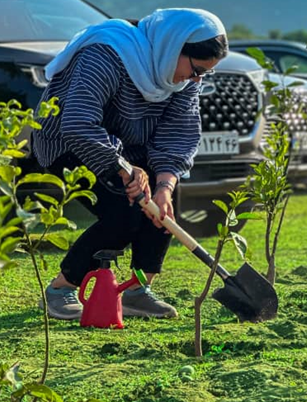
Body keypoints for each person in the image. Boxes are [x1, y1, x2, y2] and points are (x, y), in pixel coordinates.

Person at [32, 9, 228, 320]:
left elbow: (177, 135)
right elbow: (78, 123)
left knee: (162, 206)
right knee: (124, 211)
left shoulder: (184, 80)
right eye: (196, 70)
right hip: (69, 143)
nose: (196, 80)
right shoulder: (107, 54)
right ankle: (62, 287)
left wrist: (164, 185)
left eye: (205, 74)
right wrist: (125, 168)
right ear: (175, 47)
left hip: (129, 147)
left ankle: (136, 290)